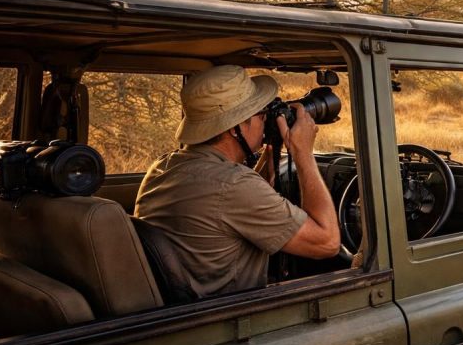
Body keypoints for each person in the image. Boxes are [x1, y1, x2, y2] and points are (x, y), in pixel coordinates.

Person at [135, 65, 341, 298]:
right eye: (261, 115)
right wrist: (303, 153)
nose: (265, 121)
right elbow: (327, 242)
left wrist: (271, 146)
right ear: (236, 128)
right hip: (231, 322)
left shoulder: (164, 167)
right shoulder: (233, 185)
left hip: (187, 311)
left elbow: (238, 202)